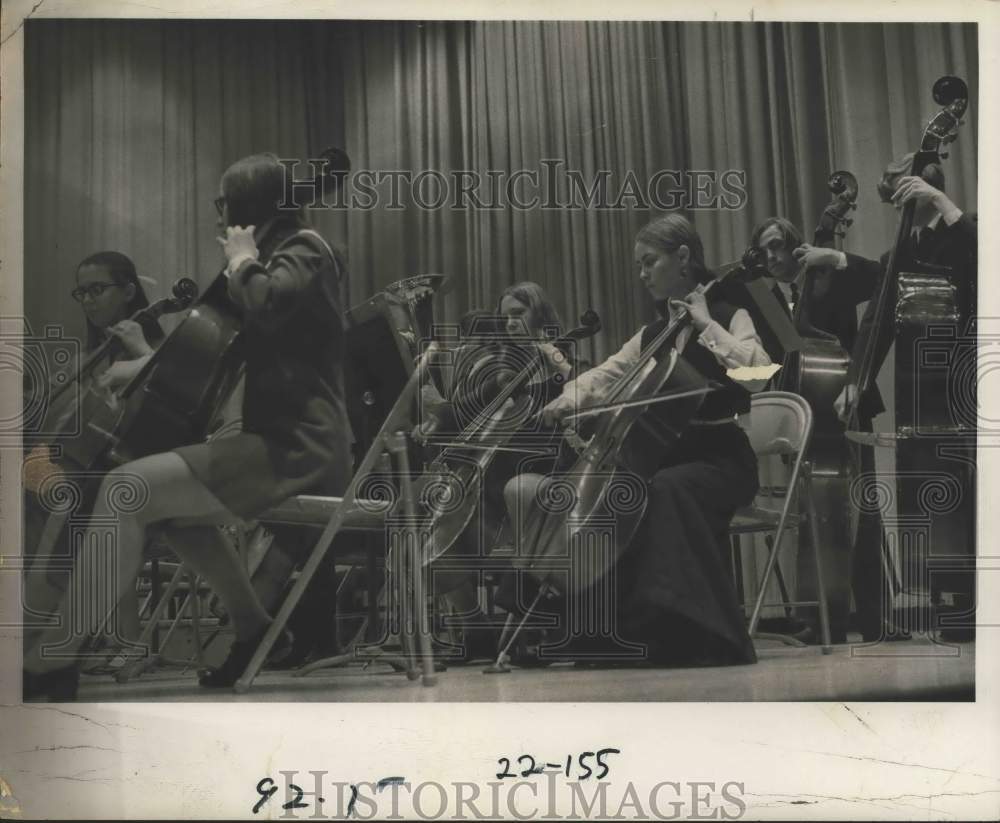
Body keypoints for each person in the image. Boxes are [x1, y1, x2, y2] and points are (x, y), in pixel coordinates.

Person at [23, 152, 352, 698]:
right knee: (168, 514)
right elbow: (210, 347)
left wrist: (242, 259)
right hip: (273, 443)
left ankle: (51, 659)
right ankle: (253, 627)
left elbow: (266, 300)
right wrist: (145, 365)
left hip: (301, 448)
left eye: (223, 202)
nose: (217, 213)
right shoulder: (276, 253)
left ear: (246, 202)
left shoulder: (305, 248)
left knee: (126, 489)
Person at [503, 214, 770, 666]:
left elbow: (758, 375)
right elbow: (606, 375)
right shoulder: (652, 333)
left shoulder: (729, 314)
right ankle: (596, 632)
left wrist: (707, 325)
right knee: (620, 492)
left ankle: (688, 633)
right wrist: (568, 398)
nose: (643, 274)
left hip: (721, 459)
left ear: (683, 257)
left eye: (650, 262)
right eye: (639, 265)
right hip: (666, 461)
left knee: (664, 490)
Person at [794, 154, 977, 642]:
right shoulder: (901, 253)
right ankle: (952, 601)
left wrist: (943, 203)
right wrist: (856, 381)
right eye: (895, 195)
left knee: (969, 492)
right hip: (919, 387)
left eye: (905, 192)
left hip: (966, 380)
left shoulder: (964, 231)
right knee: (930, 492)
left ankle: (975, 600)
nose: (899, 204)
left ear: (927, 187)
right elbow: (877, 321)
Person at [751, 216, 892, 643]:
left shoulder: (829, 277)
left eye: (777, 246)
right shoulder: (766, 299)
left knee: (863, 512)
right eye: (764, 250)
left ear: (796, 246)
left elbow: (883, 280)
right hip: (806, 411)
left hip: (845, 403)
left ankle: (876, 619)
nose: (771, 257)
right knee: (814, 515)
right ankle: (820, 619)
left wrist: (834, 256)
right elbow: (779, 360)